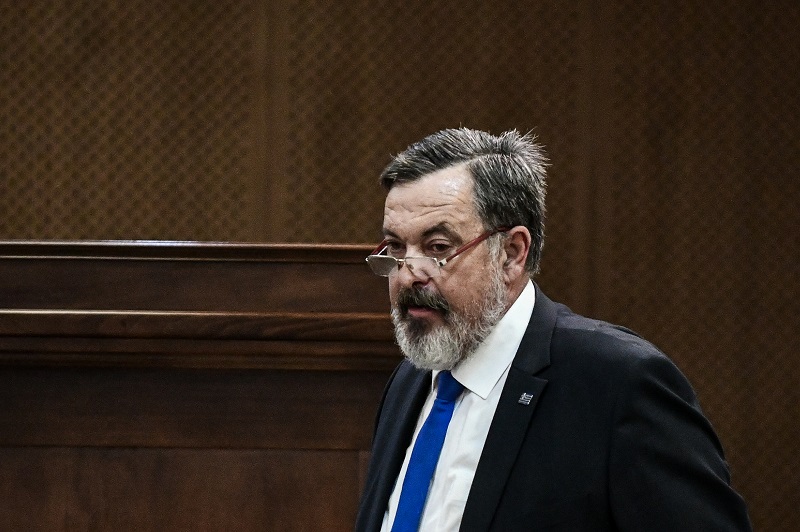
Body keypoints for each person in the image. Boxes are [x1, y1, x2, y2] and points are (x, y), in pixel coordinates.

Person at [354, 128, 751, 531]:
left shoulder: (618, 383)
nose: (408, 275)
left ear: (511, 254)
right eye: (396, 248)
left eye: (438, 248)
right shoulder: (410, 382)